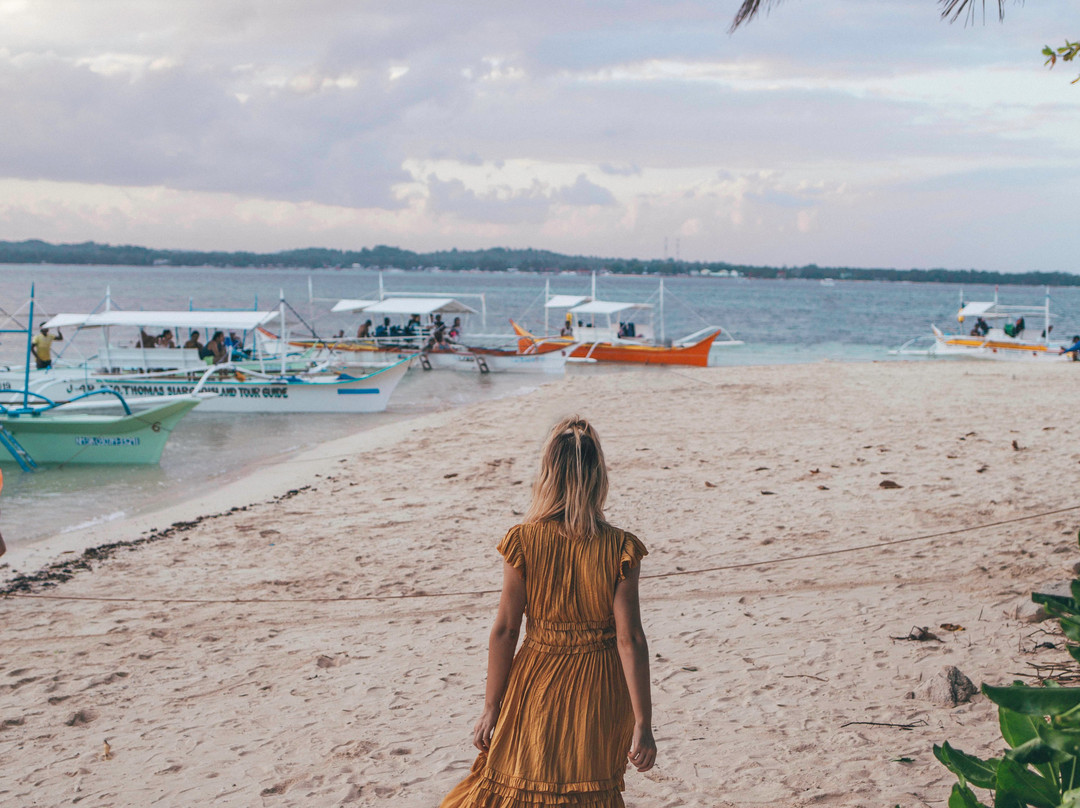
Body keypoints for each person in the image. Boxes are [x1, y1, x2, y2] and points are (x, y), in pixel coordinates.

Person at [439, 417, 656, 808]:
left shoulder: (523, 540)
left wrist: (491, 708)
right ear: (597, 477)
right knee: (588, 789)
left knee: (518, 781)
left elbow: (506, 630)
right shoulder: (620, 547)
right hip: (600, 686)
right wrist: (643, 722)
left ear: (547, 475)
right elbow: (630, 639)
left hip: (535, 677)